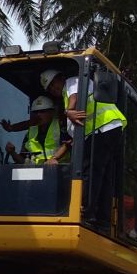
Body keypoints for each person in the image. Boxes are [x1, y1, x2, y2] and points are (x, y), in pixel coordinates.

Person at [54, 68, 127, 229]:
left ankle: (85, 211)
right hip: (111, 128)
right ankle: (103, 218)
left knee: (90, 170)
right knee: (105, 174)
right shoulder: (82, 84)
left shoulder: (72, 80)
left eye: (54, 86)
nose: (55, 91)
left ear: (59, 79)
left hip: (101, 128)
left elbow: (75, 97)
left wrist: (69, 111)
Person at [0, 95, 71, 164]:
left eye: (42, 111)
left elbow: (68, 143)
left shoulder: (60, 126)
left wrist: (54, 158)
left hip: (62, 171)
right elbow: (24, 162)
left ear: (51, 112)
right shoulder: (30, 132)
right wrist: (12, 153)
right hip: (37, 174)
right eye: (36, 112)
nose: (38, 114)